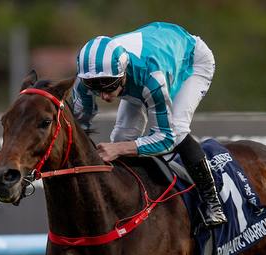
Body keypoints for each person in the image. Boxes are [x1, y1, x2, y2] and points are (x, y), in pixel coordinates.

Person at [72, 22, 227, 227]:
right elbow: (78, 126)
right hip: (148, 60)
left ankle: (212, 202)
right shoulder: (87, 79)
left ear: (122, 72)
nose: (103, 95)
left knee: (178, 129)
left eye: (108, 85)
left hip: (191, 61)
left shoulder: (152, 79)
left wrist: (118, 149)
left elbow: (166, 139)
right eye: (94, 86)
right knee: (121, 137)